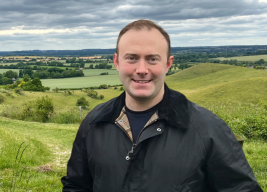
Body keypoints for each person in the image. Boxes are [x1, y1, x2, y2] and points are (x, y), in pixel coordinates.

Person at [61, 19, 262, 192]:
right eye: (131, 58)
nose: (141, 69)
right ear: (117, 62)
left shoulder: (206, 129)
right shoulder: (94, 123)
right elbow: (77, 186)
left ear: (168, 63)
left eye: (152, 59)